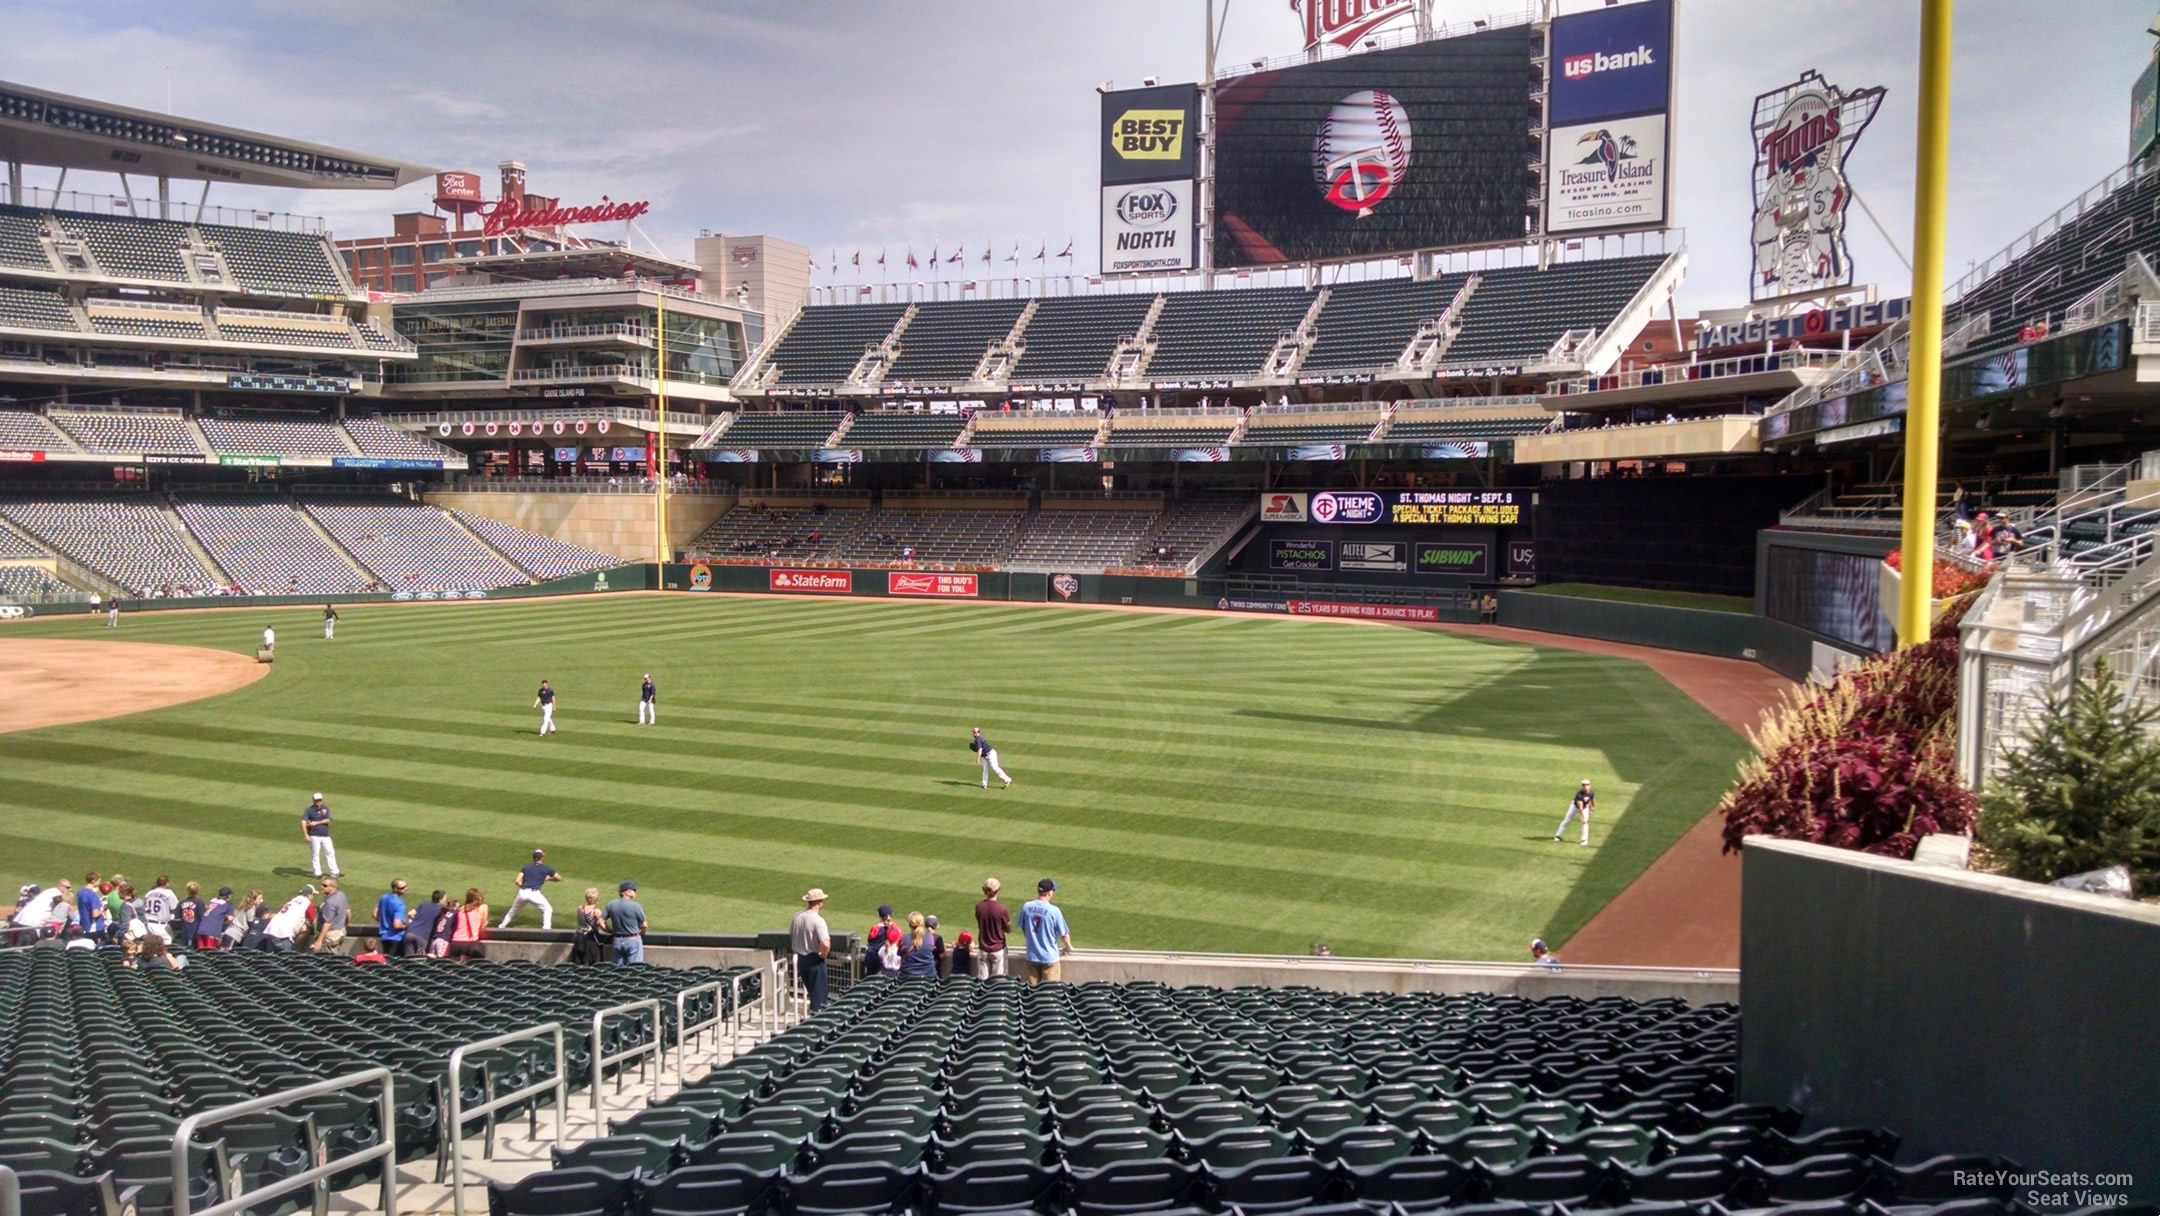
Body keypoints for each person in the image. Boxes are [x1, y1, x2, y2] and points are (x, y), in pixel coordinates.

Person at [1018, 879, 1072, 985]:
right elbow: (1064, 934)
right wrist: (1068, 947)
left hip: (1032, 956)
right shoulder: (1054, 910)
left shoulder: (1027, 906)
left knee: (1032, 992)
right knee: (1050, 992)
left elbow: (1024, 928)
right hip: (1049, 958)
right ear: (1049, 892)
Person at [790, 888, 832, 1011]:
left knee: (813, 993)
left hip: (800, 960)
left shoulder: (797, 916)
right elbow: (826, 943)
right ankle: (816, 1025)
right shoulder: (818, 920)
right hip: (814, 960)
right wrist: (823, 954)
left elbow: (792, 934)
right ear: (819, 902)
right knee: (819, 996)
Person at [500, 848, 562, 929]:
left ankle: (501, 926)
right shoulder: (546, 868)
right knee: (548, 909)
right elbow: (558, 878)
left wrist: (524, 887)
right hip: (534, 893)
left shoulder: (526, 867)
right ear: (542, 858)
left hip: (522, 892)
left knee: (513, 910)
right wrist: (548, 878)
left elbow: (517, 881)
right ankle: (546, 929)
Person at [973, 878, 1010, 979]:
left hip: (983, 949)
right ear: (998, 890)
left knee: (982, 981)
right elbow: (1008, 929)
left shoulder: (979, 907)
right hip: (998, 949)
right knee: (998, 982)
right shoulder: (1002, 909)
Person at [603, 880, 648, 965]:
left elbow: (600, 921)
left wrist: (609, 930)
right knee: (635, 969)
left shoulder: (611, 904)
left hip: (617, 940)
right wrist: (642, 932)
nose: (635, 892)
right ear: (627, 892)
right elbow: (644, 925)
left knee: (619, 971)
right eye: (634, 890)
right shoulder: (636, 906)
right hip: (633, 939)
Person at [263, 886, 315, 953]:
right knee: (286, 961)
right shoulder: (308, 903)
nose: (314, 897)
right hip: (284, 934)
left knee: (271, 960)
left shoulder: (292, 900)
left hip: (271, 930)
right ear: (309, 894)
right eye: (313, 894)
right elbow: (312, 922)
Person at [302, 792, 339, 878]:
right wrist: (306, 834)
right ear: (313, 800)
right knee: (316, 854)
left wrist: (316, 822)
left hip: (325, 835)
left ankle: (334, 872)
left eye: (319, 800)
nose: (318, 801)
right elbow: (303, 822)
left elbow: (328, 820)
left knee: (330, 852)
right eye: (316, 800)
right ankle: (317, 873)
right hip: (314, 835)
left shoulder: (325, 808)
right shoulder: (309, 810)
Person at [448, 888, 489, 961]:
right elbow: (482, 927)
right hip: (470, 944)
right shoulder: (483, 908)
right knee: (481, 964)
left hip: (455, 943)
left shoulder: (461, 909)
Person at [409, 889, 450, 958]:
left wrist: (417, 920)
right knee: (419, 961)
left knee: (408, 960)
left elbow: (410, 914)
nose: (445, 901)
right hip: (422, 936)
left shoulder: (423, 904)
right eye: (445, 899)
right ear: (440, 900)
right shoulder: (440, 909)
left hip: (409, 933)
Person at [898, 912, 940, 979]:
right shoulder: (930, 937)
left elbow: (900, 953)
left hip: (907, 978)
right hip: (929, 978)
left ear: (909, 924)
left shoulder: (903, 938)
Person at [863, 905, 902, 976]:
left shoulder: (876, 928)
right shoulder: (894, 928)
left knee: (869, 977)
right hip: (887, 961)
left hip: (872, 957)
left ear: (880, 916)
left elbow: (870, 939)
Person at [1554, 779, 1595, 846]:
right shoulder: (1579, 795)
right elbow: (1580, 808)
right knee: (1567, 819)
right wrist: (1582, 817)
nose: (1585, 786)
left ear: (1590, 785)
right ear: (1582, 786)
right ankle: (1558, 836)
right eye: (1584, 785)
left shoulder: (1591, 793)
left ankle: (1584, 840)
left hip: (1585, 807)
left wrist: (1593, 808)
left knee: (1585, 823)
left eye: (1587, 785)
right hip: (1574, 807)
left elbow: (1592, 800)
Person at [314, 878, 350, 953]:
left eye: (324, 885)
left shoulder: (330, 902)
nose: (321, 887)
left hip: (331, 936)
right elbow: (348, 911)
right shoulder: (341, 895)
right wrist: (347, 924)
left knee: (328, 960)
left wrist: (319, 940)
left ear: (332, 887)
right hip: (341, 932)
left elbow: (327, 923)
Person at [572, 888, 606, 965]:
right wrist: (610, 930)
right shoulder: (596, 911)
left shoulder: (580, 908)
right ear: (597, 898)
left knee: (579, 962)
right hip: (591, 940)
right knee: (592, 962)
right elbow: (603, 926)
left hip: (579, 937)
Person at [376, 880, 410, 953]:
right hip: (396, 938)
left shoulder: (384, 898)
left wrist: (384, 922)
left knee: (387, 960)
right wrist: (407, 925)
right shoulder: (399, 904)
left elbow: (375, 914)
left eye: (406, 886)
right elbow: (397, 925)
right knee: (394, 962)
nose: (406, 888)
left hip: (384, 936)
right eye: (403, 887)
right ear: (395, 889)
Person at [142, 875, 178, 943]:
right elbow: (175, 908)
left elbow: (144, 907)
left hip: (147, 925)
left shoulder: (149, 893)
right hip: (161, 926)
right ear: (167, 883)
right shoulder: (169, 893)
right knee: (168, 944)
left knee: (151, 946)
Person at [176, 882, 204, 948]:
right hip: (196, 931)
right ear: (198, 891)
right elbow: (202, 917)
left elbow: (177, 916)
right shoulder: (199, 902)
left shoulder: (182, 902)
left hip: (184, 930)